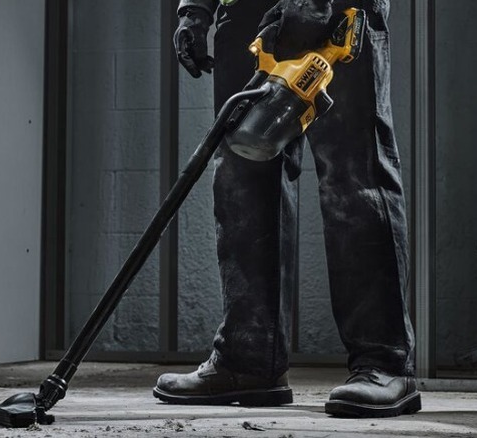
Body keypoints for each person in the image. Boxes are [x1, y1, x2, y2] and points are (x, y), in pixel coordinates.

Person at [153, 0, 420, 418]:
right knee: (242, 185)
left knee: (353, 180)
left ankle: (384, 362)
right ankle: (249, 359)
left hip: (335, 12)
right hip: (246, 16)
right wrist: (195, 9)